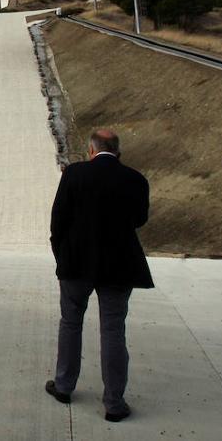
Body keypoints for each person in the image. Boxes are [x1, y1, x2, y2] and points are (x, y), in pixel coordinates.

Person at [45, 128, 153, 422]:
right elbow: (140, 219)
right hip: (119, 266)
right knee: (113, 330)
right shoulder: (136, 180)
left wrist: (61, 256)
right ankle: (114, 403)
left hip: (76, 265)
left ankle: (65, 386)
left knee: (70, 323)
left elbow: (58, 221)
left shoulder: (74, 175)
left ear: (91, 151)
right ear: (118, 152)